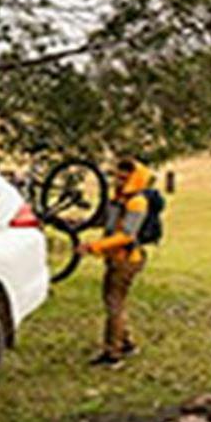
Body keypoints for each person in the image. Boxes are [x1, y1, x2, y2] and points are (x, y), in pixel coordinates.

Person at [79, 157, 155, 366]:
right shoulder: (119, 199)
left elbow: (127, 235)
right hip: (114, 258)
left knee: (114, 305)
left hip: (127, 261)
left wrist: (93, 247)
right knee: (114, 301)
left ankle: (113, 353)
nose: (118, 181)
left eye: (124, 177)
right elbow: (104, 222)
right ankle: (127, 343)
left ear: (135, 178)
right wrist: (76, 223)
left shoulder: (137, 202)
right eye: (117, 176)